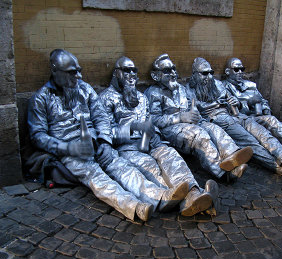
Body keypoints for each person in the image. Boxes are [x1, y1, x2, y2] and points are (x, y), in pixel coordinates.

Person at [28, 49, 188, 222]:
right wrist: (68, 147)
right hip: (71, 150)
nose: (79, 76)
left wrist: (104, 141)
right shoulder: (41, 98)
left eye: (79, 70)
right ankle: (134, 207)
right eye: (72, 72)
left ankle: (159, 197)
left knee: (123, 168)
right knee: (96, 176)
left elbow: (101, 118)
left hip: (97, 143)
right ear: (55, 71)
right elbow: (37, 135)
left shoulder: (85, 89)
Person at [98, 56, 218, 216]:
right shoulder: (105, 99)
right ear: (116, 73)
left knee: (172, 157)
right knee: (151, 167)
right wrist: (134, 128)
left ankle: (194, 193)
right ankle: (178, 200)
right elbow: (106, 134)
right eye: (127, 70)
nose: (131, 74)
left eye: (134, 70)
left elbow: (151, 121)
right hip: (129, 147)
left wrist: (155, 134)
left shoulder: (141, 98)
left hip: (152, 142)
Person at [185, 57, 282, 178]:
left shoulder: (217, 84)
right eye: (204, 73)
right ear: (195, 74)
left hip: (236, 115)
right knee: (251, 142)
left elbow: (230, 99)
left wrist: (236, 102)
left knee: (263, 133)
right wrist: (218, 103)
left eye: (211, 72)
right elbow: (196, 109)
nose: (209, 76)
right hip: (219, 120)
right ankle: (280, 168)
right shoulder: (189, 89)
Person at [144, 53, 253, 182]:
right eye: (167, 71)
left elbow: (191, 106)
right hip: (170, 129)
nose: (173, 73)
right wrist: (180, 117)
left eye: (174, 69)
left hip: (192, 123)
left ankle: (233, 157)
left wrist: (196, 115)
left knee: (213, 128)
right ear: (156, 75)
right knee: (199, 135)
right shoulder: (153, 93)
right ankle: (223, 172)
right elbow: (154, 120)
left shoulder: (181, 88)